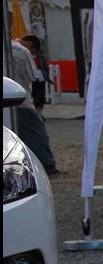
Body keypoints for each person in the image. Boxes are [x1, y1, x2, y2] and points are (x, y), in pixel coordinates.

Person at [8, 37, 59, 175]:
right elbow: (32, 75)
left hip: (9, 100)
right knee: (36, 132)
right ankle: (46, 164)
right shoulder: (22, 51)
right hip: (22, 100)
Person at [18, 34, 50, 114]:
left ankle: (40, 111)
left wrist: (46, 73)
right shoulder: (25, 53)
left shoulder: (40, 55)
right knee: (36, 95)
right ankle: (37, 110)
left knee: (42, 94)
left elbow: (44, 65)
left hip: (40, 76)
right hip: (32, 76)